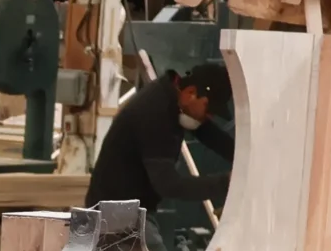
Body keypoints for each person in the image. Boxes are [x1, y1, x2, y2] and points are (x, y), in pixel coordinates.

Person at [86, 60, 236, 214]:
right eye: (208, 110)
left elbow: (209, 133)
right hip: (112, 213)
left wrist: (243, 156)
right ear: (191, 92)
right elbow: (168, 185)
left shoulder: (173, 96)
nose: (208, 117)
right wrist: (227, 183)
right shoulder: (155, 113)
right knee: (151, 238)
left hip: (126, 206)